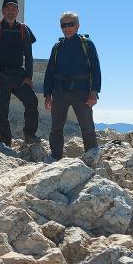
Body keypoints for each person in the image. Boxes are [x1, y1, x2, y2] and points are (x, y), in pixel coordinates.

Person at [44, 11, 101, 160]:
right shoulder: (57, 47)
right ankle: (55, 158)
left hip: (82, 92)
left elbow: (96, 70)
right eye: (64, 25)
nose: (67, 28)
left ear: (78, 26)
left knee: (87, 127)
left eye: (71, 24)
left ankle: (91, 158)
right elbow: (49, 72)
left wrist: (94, 93)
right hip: (59, 92)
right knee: (56, 128)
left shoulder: (87, 44)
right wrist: (47, 95)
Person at [0, 0, 39, 146]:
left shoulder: (23, 30)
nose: (10, 12)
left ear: (17, 11)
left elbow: (28, 55)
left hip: (18, 75)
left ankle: (30, 134)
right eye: (7, 9)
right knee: (1, 112)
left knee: (32, 101)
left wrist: (28, 77)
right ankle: (5, 142)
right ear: (2, 11)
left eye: (13, 9)